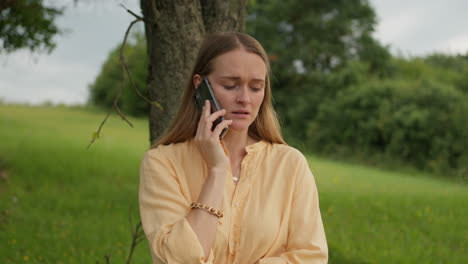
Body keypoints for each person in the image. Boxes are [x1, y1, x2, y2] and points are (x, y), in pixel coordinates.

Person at [139, 31, 328, 264]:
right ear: (201, 87)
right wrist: (217, 171)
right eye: (231, 85)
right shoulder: (162, 163)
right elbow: (179, 259)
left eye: (256, 87)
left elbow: (311, 257)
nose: (245, 99)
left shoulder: (290, 164)